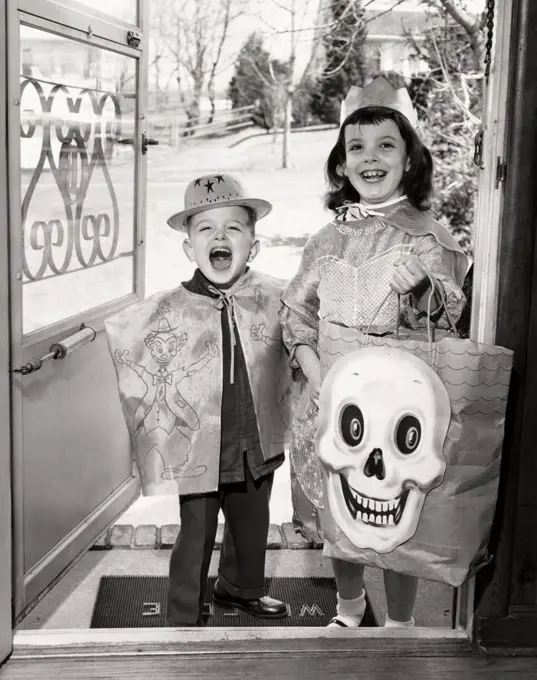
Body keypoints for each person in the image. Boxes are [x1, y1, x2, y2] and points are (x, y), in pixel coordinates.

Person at [280, 74, 469, 629]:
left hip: (394, 405)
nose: (370, 157)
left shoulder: (430, 237)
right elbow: (296, 312)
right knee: (343, 512)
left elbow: (453, 321)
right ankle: (349, 607)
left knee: (391, 510)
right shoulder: (325, 240)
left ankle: (402, 622)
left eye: (386, 144)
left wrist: (423, 291)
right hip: (332, 395)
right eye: (356, 147)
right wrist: (315, 376)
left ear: (409, 158)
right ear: (341, 164)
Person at [105, 173, 295, 627]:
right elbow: (130, 344)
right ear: (190, 248)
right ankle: (183, 611)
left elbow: (306, 338)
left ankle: (241, 587)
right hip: (199, 451)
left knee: (252, 527)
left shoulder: (277, 297)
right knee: (196, 534)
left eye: (233, 227)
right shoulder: (168, 310)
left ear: (253, 244)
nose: (220, 237)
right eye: (205, 229)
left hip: (255, 443)